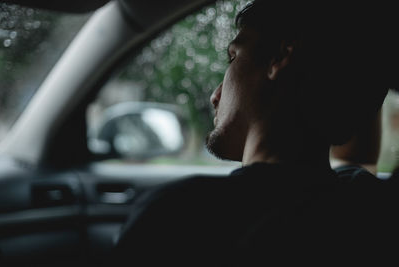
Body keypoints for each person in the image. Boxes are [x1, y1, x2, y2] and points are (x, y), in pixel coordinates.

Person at [111, 1, 399, 265]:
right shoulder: (372, 212)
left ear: (279, 58)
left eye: (233, 57)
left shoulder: (178, 218)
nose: (215, 96)